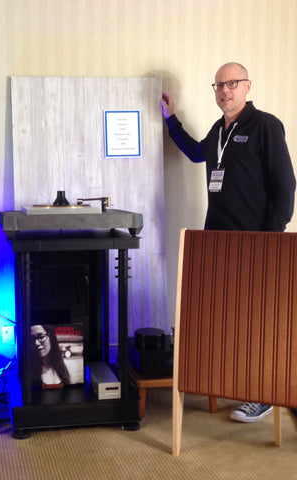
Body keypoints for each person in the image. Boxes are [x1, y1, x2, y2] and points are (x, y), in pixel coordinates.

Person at [161, 62, 296, 422]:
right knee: (225, 317)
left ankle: (263, 395)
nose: (224, 90)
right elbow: (194, 153)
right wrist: (170, 118)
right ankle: (231, 384)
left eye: (232, 84)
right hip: (216, 241)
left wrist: (272, 240)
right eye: (219, 85)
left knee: (257, 320)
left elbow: (285, 187)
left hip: (256, 243)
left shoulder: (265, 126)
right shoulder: (219, 132)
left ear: (247, 86)